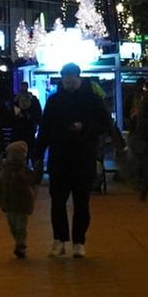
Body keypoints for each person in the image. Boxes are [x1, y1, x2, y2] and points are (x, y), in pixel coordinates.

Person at [37, 62, 110, 257]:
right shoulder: (53, 101)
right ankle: (59, 239)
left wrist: (85, 128)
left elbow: (104, 125)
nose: (69, 80)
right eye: (66, 76)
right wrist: (37, 154)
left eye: (72, 76)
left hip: (82, 157)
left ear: (79, 77)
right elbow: (44, 129)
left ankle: (79, 241)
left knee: (81, 201)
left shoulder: (92, 100)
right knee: (58, 201)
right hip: (60, 157)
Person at [0, 139, 35, 259]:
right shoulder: (6, 170)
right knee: (13, 226)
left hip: (19, 204)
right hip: (12, 203)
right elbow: (1, 185)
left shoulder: (22, 170)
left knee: (20, 226)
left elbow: (31, 180)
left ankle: (20, 245)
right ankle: (19, 243)